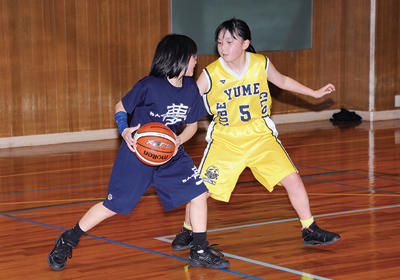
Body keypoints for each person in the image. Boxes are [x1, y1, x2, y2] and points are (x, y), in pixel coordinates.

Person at [47, 34, 230, 271]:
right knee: (112, 206)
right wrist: (124, 132)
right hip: (137, 155)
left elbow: (193, 125)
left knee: (199, 193)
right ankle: (68, 239)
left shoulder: (191, 89)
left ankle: (200, 250)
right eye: (193, 56)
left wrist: (178, 141)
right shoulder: (149, 85)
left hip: (170, 155)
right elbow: (120, 107)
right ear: (180, 57)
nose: (196, 61)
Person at [172, 19, 341, 251]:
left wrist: (313, 92)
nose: (223, 47)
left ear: (245, 43)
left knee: (293, 178)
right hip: (226, 139)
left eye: (230, 41)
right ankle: (188, 231)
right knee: (200, 190)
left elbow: (281, 81)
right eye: (219, 42)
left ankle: (309, 229)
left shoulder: (260, 63)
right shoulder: (211, 73)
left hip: (260, 135)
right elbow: (188, 99)